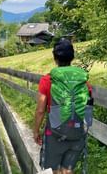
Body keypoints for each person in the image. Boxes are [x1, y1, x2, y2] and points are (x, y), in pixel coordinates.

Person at [33, 38, 93, 174]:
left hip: (54, 132)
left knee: (52, 170)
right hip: (77, 132)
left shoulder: (48, 80)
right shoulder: (83, 81)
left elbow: (41, 110)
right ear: (72, 57)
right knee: (67, 170)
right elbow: (88, 107)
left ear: (55, 57)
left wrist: (36, 131)